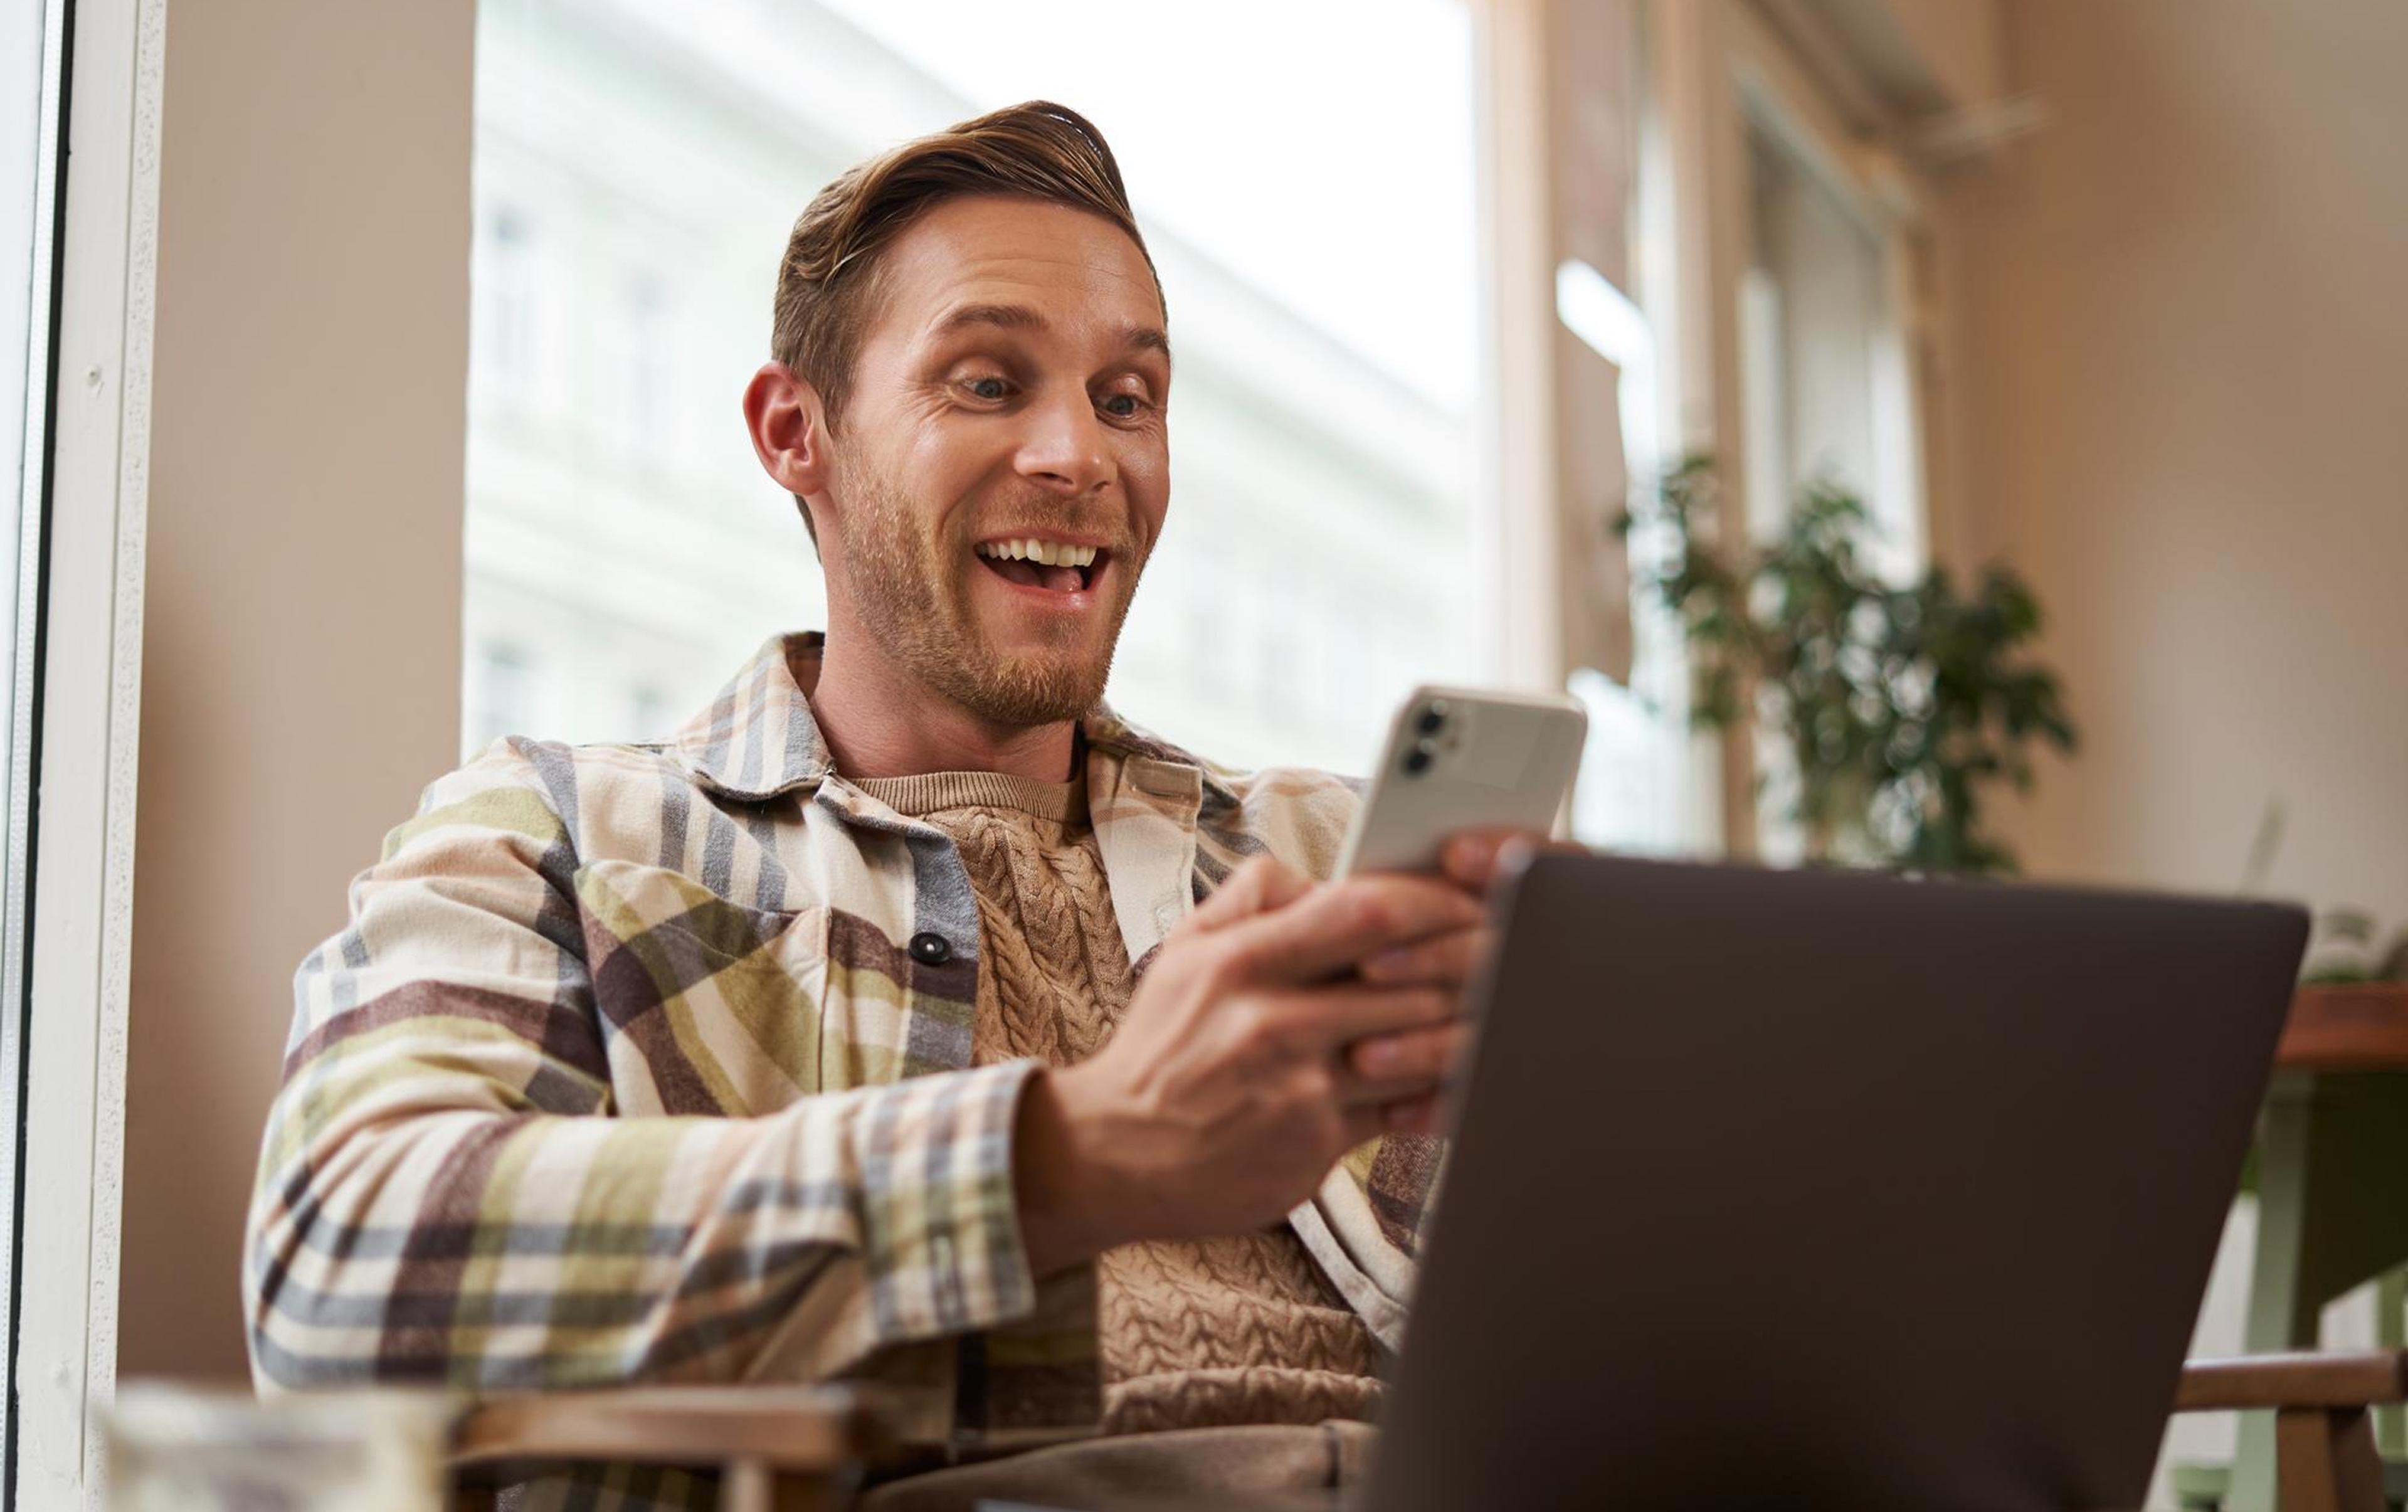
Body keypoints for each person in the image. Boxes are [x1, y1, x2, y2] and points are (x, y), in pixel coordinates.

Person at [245, 101, 1527, 1511]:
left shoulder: (1325, 856)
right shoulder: (558, 834)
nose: (1079, 457)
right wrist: (1075, 1156)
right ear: (798, 433)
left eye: (1127, 398)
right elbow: (343, 1279)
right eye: (986, 383)